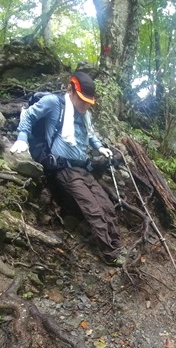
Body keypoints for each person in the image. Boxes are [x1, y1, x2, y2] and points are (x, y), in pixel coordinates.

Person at [10, 71, 126, 266]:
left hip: (84, 169)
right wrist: (22, 138)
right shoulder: (53, 104)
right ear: (70, 89)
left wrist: (100, 147)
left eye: (89, 101)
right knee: (94, 211)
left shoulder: (84, 114)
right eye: (81, 99)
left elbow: (90, 134)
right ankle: (110, 254)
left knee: (107, 206)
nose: (85, 104)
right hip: (64, 169)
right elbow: (29, 116)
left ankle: (117, 246)